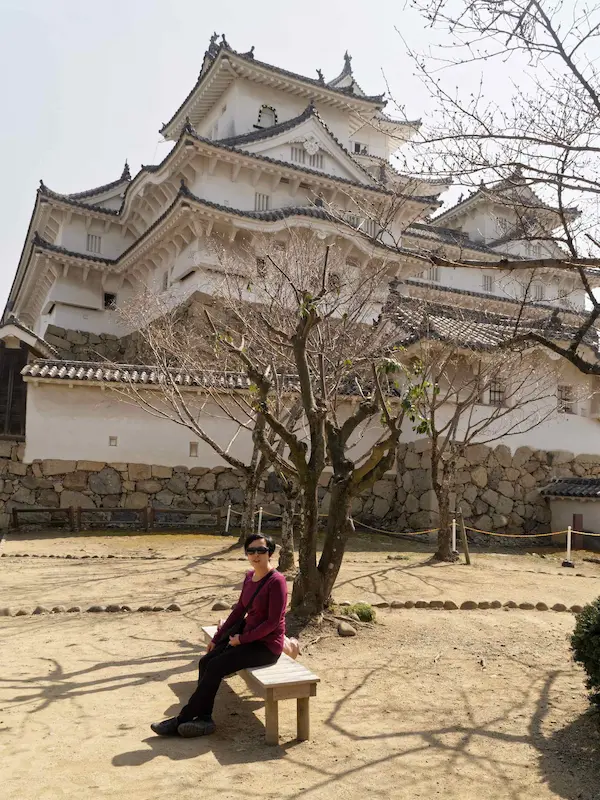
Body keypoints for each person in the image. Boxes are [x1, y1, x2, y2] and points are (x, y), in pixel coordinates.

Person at [151, 532, 287, 738]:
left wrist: (242, 639)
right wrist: (217, 638)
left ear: (270, 553)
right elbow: (239, 610)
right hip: (246, 637)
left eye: (261, 550)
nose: (256, 555)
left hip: (266, 646)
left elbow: (272, 622)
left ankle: (183, 719)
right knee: (206, 661)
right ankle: (204, 718)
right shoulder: (250, 577)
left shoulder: (277, 581)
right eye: (251, 551)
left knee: (216, 666)